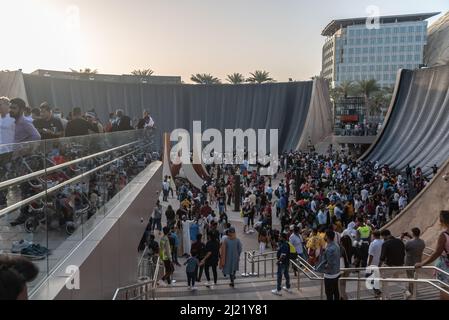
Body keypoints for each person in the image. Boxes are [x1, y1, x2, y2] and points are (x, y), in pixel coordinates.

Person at [415, 211, 449, 300]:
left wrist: (422, 263)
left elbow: (437, 253)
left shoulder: (444, 235)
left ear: (443, 221)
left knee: (445, 289)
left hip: (446, 265)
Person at [379, 229, 405, 300]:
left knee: (383, 280)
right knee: (396, 278)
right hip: (400, 265)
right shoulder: (400, 242)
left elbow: (382, 257)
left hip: (390, 265)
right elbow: (403, 253)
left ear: (384, 236)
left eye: (383, 237)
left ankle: (387, 297)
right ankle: (405, 291)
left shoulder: (386, 243)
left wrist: (378, 267)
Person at [316, 230, 341, 301]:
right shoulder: (336, 245)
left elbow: (329, 264)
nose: (324, 237)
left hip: (330, 275)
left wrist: (324, 268)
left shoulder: (329, 249)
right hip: (337, 272)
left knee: (329, 294)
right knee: (336, 292)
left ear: (328, 237)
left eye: (325, 235)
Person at [401, 227, 425, 298]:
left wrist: (402, 238)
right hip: (418, 261)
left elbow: (403, 248)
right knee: (415, 277)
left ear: (413, 233)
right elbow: (414, 241)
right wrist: (410, 236)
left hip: (409, 262)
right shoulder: (422, 242)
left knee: (410, 277)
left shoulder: (409, 242)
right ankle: (412, 290)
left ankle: (412, 292)